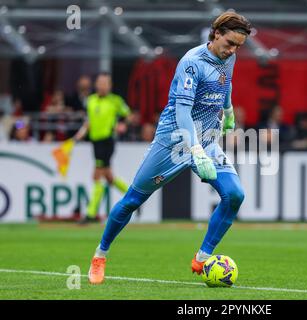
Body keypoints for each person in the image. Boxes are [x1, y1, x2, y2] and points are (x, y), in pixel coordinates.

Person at [87, 11, 251, 285]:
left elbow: (226, 83)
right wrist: (195, 150)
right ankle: (100, 255)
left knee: (235, 195)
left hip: (207, 140)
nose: (233, 50)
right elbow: (183, 112)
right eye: (230, 43)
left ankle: (202, 257)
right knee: (132, 201)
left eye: (238, 46)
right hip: (173, 143)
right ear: (216, 34)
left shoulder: (229, 57)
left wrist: (229, 110)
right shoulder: (191, 63)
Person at [73, 73, 131, 223]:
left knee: (97, 175)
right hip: (95, 143)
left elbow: (127, 115)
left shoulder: (115, 101)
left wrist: (122, 124)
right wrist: (79, 135)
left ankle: (90, 214)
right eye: (100, 82)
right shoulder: (90, 101)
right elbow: (89, 122)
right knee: (109, 177)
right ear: (96, 84)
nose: (102, 85)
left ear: (110, 85)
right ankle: (133, 198)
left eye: (105, 83)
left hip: (107, 141)